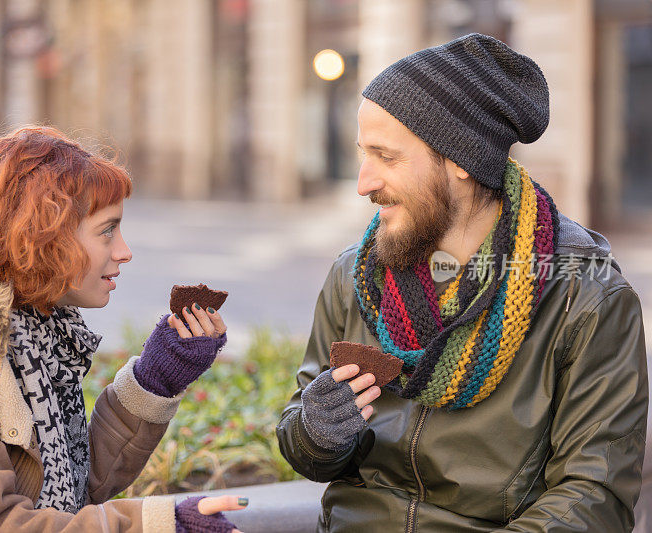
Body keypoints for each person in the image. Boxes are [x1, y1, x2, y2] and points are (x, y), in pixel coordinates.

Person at [277, 33, 648, 531]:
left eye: (386, 157)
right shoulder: (356, 275)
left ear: (461, 160)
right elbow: (306, 442)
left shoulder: (584, 296)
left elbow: (593, 498)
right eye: (363, 153)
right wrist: (316, 434)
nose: (363, 181)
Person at [0, 126, 245, 532]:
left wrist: (155, 379)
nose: (124, 251)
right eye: (107, 230)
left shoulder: (29, 332)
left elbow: (70, 485)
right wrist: (159, 525)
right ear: (42, 238)